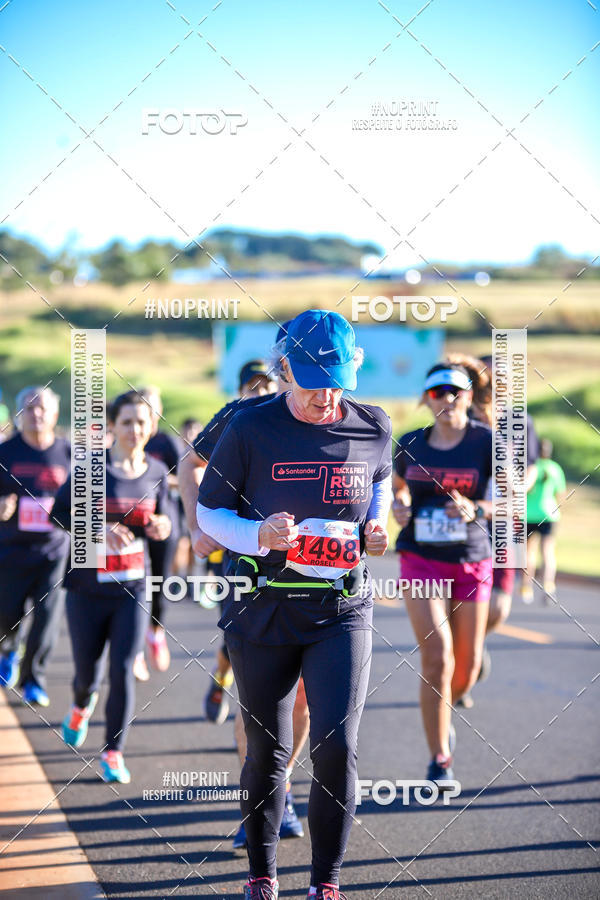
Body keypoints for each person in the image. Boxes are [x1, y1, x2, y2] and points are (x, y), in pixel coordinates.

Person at [195, 309, 392, 900]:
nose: (326, 396)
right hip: (263, 609)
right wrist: (258, 536)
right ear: (284, 370)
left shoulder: (373, 424)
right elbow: (209, 514)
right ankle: (262, 874)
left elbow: (380, 482)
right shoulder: (249, 426)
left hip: (341, 609)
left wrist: (379, 527)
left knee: (338, 744)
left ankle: (326, 883)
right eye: (312, 381)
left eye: (337, 381)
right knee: (268, 750)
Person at [178, 322, 308, 849]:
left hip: (316, 582)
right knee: (258, 704)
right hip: (249, 575)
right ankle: (260, 803)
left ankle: (283, 794)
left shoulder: (335, 412)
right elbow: (190, 460)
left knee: (301, 703)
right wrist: (197, 525)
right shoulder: (238, 416)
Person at [52, 391, 172, 783]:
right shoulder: (91, 468)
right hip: (87, 588)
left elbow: (168, 522)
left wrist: (163, 527)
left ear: (151, 425)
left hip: (133, 589)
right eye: (126, 422)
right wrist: (98, 530)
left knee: (121, 670)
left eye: (142, 422)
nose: (135, 429)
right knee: (88, 672)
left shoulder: (156, 471)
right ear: (113, 426)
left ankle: (113, 751)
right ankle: (81, 703)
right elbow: (59, 515)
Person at [392, 361, 494, 788]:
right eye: (437, 393)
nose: (447, 400)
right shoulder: (411, 443)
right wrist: (398, 504)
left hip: (471, 557)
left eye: (455, 392)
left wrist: (478, 509)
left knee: (465, 668)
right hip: (420, 558)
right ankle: (440, 758)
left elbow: (509, 497)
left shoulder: (487, 442)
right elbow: (394, 485)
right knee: (437, 659)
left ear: (469, 397)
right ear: (426, 399)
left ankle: (446, 708)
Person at [0, 386, 70, 706]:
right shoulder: (6, 453)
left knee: (47, 617)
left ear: (55, 415)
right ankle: (9, 649)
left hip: (54, 550)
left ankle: (34, 679)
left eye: (42, 408)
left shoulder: (68, 454)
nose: (36, 413)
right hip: (11, 549)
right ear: (19, 415)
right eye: (29, 408)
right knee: (7, 614)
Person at [133, 386, 181, 679]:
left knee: (158, 585)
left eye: (153, 408)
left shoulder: (167, 443)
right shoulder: (124, 442)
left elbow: (183, 477)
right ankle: (135, 648)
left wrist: (156, 484)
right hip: (132, 525)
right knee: (134, 587)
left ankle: (156, 631)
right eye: (142, 406)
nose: (148, 414)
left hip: (163, 521)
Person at [524, 438, 566, 602]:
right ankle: (548, 585)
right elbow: (560, 494)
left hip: (528, 515)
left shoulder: (530, 468)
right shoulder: (555, 469)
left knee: (529, 552)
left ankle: (526, 587)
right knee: (548, 552)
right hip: (549, 514)